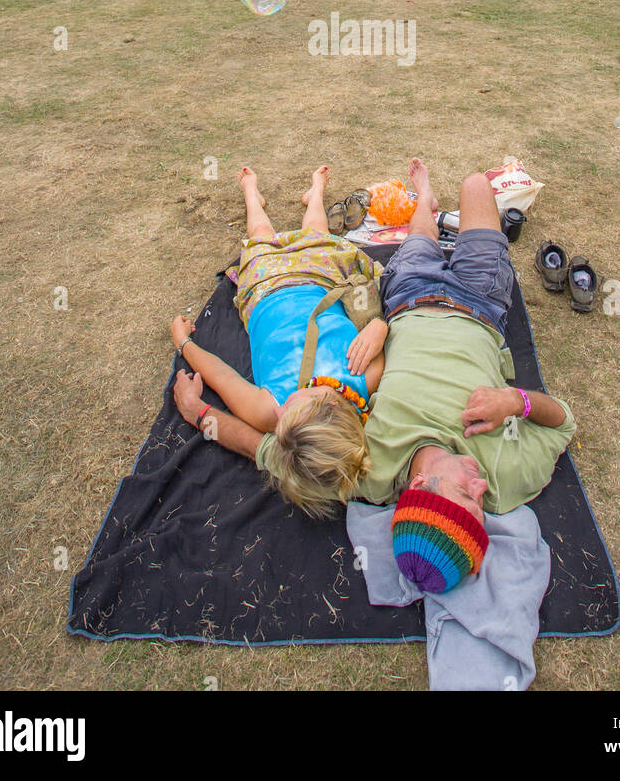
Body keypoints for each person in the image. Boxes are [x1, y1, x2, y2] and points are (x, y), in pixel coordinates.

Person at [175, 160, 575, 587]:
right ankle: (425, 198)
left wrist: (197, 412)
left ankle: (425, 203)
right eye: (480, 504)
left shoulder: (362, 468)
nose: (482, 492)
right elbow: (564, 423)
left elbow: (260, 447)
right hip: (480, 304)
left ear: (419, 486)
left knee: (420, 238)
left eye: (465, 495)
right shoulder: (505, 474)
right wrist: (519, 401)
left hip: (405, 297)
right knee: (476, 186)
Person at [171, 165, 386, 517]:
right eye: (291, 411)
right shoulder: (365, 380)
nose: (279, 412)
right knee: (316, 232)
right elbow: (373, 329)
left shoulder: (268, 412)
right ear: (332, 404)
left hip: (266, 292)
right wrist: (380, 327)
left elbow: (223, 377)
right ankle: (314, 193)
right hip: (320, 282)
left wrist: (185, 345)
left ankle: (251, 196)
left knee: (260, 238)